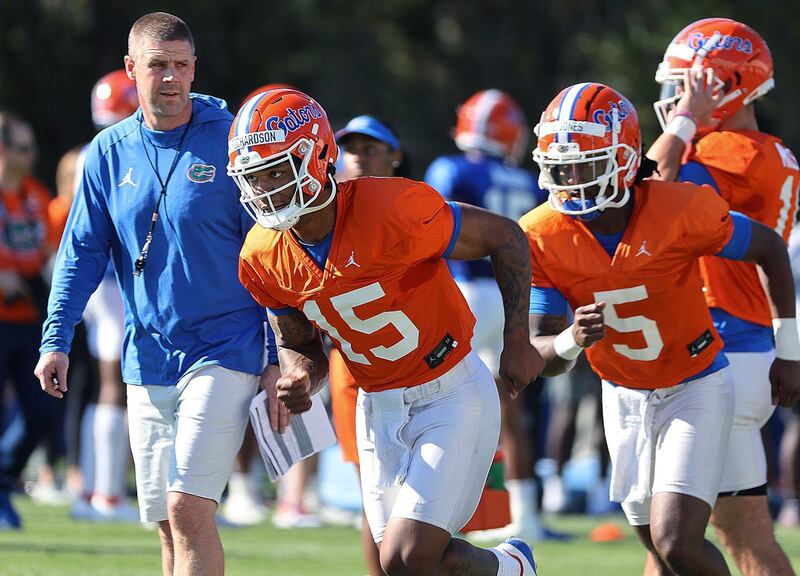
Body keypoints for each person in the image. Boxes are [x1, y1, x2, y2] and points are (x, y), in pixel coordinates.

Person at [231, 88, 540, 576]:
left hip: (449, 391)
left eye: (275, 170)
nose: (264, 188)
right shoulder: (261, 255)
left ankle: (513, 566)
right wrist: (298, 377)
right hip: (375, 405)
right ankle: (509, 571)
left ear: (315, 159)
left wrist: (517, 340)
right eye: (253, 176)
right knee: (400, 564)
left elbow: (506, 236)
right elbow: (301, 343)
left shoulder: (393, 207)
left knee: (408, 557)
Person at [522, 81, 800, 576]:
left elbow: (769, 249)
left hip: (695, 383)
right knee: (659, 550)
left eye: (586, 163)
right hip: (622, 394)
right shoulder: (541, 233)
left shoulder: (677, 207)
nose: (570, 178)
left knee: (677, 542)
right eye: (561, 164)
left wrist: (791, 349)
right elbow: (539, 355)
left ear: (625, 159)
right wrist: (571, 340)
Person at [35, 12, 275, 576]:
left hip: (226, 347)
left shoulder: (233, 139)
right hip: (146, 355)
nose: (170, 78)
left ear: (195, 69)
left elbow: (271, 252)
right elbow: (80, 255)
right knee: (167, 524)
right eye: (157, 66)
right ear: (130, 69)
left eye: (181, 66)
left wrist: (278, 352)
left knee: (188, 506)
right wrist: (57, 340)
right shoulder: (106, 152)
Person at [646, 18, 798, 576]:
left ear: (726, 85)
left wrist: (686, 120)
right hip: (744, 350)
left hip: (718, 355)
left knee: (677, 538)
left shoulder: (731, 151)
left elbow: (649, 185)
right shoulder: (765, 151)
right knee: (721, 539)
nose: (675, 100)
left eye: (688, 87)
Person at [424, 90, 555, 543]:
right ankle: (525, 512)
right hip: (514, 296)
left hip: (466, 291)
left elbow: (430, 231)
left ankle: (440, 509)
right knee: (510, 407)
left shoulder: (453, 169)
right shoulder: (525, 179)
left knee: (444, 402)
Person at [329, 114, 408, 575]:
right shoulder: (321, 209)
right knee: (374, 492)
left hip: (418, 363)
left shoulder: (413, 204)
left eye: (371, 148)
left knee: (431, 497)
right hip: (355, 365)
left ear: (395, 157)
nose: (359, 157)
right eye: (351, 148)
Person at [68, 68, 140, 522]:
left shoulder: (94, 152)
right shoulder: (110, 152)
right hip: (110, 282)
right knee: (116, 383)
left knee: (110, 384)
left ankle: (97, 487)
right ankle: (106, 493)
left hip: (110, 282)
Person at [0, 112, 61, 530]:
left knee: (41, 408)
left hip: (27, 320)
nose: (33, 155)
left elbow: (54, 256)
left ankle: (2, 478)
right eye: (24, 147)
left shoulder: (37, 196)